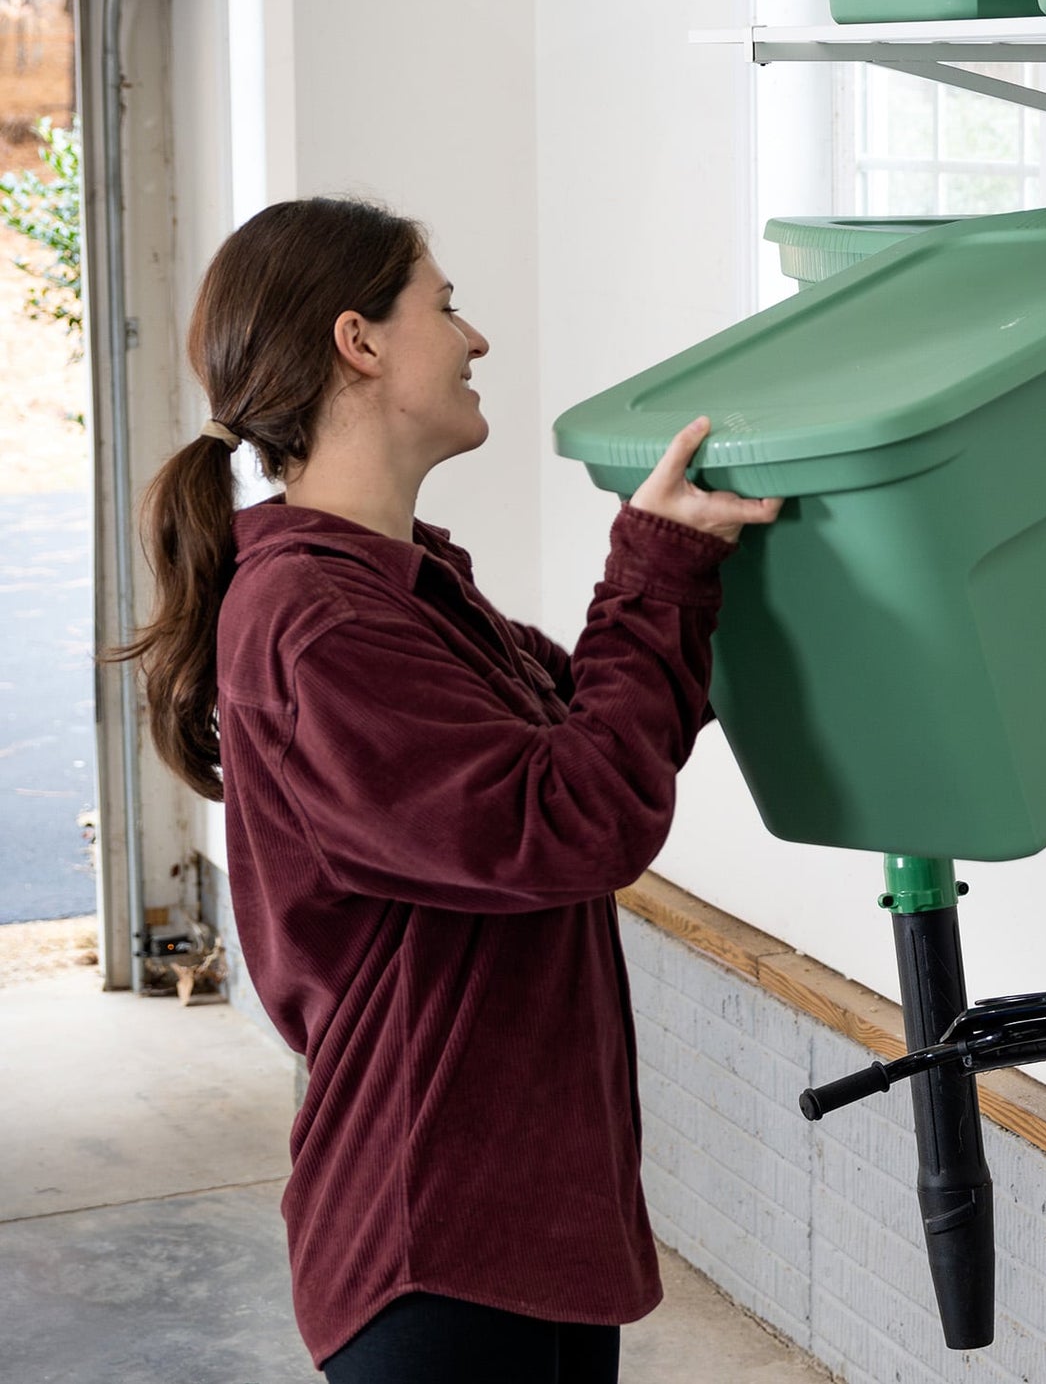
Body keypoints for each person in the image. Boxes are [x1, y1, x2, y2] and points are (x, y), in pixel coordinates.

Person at [119, 195, 780, 1382]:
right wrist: (651, 564)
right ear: (358, 340)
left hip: (521, 1228)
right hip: (438, 1241)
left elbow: (610, 734)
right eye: (446, 304)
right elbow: (573, 815)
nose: (475, 339)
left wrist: (718, 575)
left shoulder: (401, 584)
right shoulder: (315, 623)